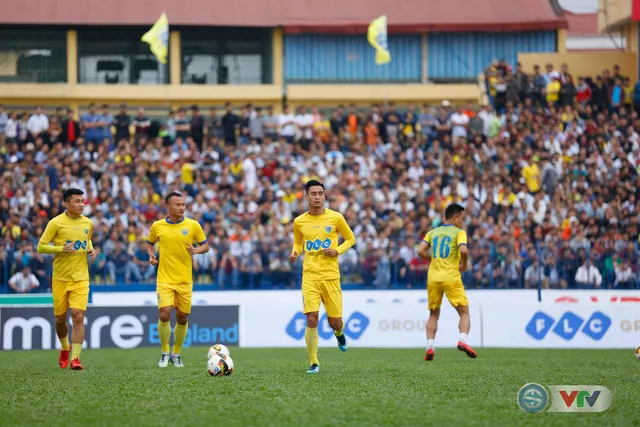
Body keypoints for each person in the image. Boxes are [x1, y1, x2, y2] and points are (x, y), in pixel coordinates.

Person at [289, 180, 356, 374]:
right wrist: (295, 252)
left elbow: (351, 239)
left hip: (331, 276)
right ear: (307, 197)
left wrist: (337, 250)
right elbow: (298, 242)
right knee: (312, 318)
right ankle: (314, 362)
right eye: (314, 193)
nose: (317, 197)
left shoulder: (336, 218)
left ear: (324, 196)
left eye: (320, 193)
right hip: (309, 275)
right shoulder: (299, 221)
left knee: (335, 321)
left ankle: (339, 333)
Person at [147, 192, 210, 368]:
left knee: (182, 317)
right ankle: (164, 352)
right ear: (168, 207)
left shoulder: (193, 225)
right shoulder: (158, 226)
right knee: (164, 312)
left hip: (184, 280)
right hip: (165, 278)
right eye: (178, 205)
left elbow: (205, 245)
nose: (182, 207)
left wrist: (196, 251)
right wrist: (151, 255)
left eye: (183, 204)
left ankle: (177, 353)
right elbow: (149, 242)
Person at [37, 188, 96, 370]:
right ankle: (65, 347)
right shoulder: (56, 223)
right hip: (61, 278)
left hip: (81, 278)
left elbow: (87, 239)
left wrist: (91, 249)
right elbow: (41, 247)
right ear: (66, 204)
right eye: (77, 201)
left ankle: (76, 358)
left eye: (82, 201)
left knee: (78, 316)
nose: (81, 204)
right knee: (60, 319)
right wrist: (62, 248)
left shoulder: (88, 223)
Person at [416, 203, 477, 361]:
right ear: (455, 217)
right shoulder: (459, 232)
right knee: (464, 313)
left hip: (434, 277)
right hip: (451, 275)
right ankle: (463, 340)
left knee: (433, 314)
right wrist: (463, 264)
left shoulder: (433, 232)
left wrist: (432, 259)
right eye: (461, 218)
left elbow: (419, 250)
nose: (462, 222)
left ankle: (430, 347)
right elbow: (463, 250)